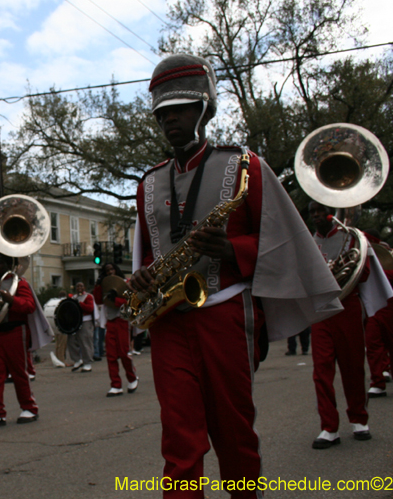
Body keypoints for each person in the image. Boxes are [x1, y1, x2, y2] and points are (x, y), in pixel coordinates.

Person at [129, 53, 342, 496]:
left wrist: (231, 248)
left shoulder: (245, 166)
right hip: (168, 321)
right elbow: (148, 253)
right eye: (163, 113)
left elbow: (286, 244)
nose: (171, 120)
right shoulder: (148, 182)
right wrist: (143, 278)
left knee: (234, 432)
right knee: (179, 441)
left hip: (226, 314)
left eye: (181, 110)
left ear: (204, 108)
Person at [308, 201, 381, 449]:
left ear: (332, 213)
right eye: (312, 212)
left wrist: (337, 271)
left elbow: (366, 272)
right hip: (320, 310)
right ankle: (329, 427)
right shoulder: (306, 241)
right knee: (321, 370)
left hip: (347, 306)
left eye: (320, 210)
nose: (317, 215)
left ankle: (359, 419)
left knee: (352, 366)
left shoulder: (352, 239)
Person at [0, 253, 51, 429]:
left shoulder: (20, 283)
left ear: (9, 266)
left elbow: (29, 306)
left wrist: (12, 300)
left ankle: (29, 408)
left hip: (15, 331)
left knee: (19, 372)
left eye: (0, 263)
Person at [362, 232, 393, 398]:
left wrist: (377, 274)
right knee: (372, 343)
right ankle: (377, 381)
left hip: (389, 300)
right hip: (370, 302)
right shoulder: (361, 254)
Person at [96, 271, 138, 397]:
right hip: (110, 321)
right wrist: (98, 285)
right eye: (107, 270)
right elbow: (98, 300)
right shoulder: (105, 287)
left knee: (124, 352)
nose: (110, 272)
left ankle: (132, 378)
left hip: (122, 321)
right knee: (111, 355)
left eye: (112, 270)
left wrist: (116, 299)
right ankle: (115, 384)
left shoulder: (125, 285)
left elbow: (130, 302)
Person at [68, 282, 94, 372]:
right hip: (75, 321)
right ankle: (77, 360)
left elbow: (90, 308)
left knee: (85, 341)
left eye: (81, 286)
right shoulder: (74, 297)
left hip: (85, 321)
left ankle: (87, 363)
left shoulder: (88, 296)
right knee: (71, 340)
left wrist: (79, 304)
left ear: (84, 287)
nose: (79, 287)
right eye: (78, 286)